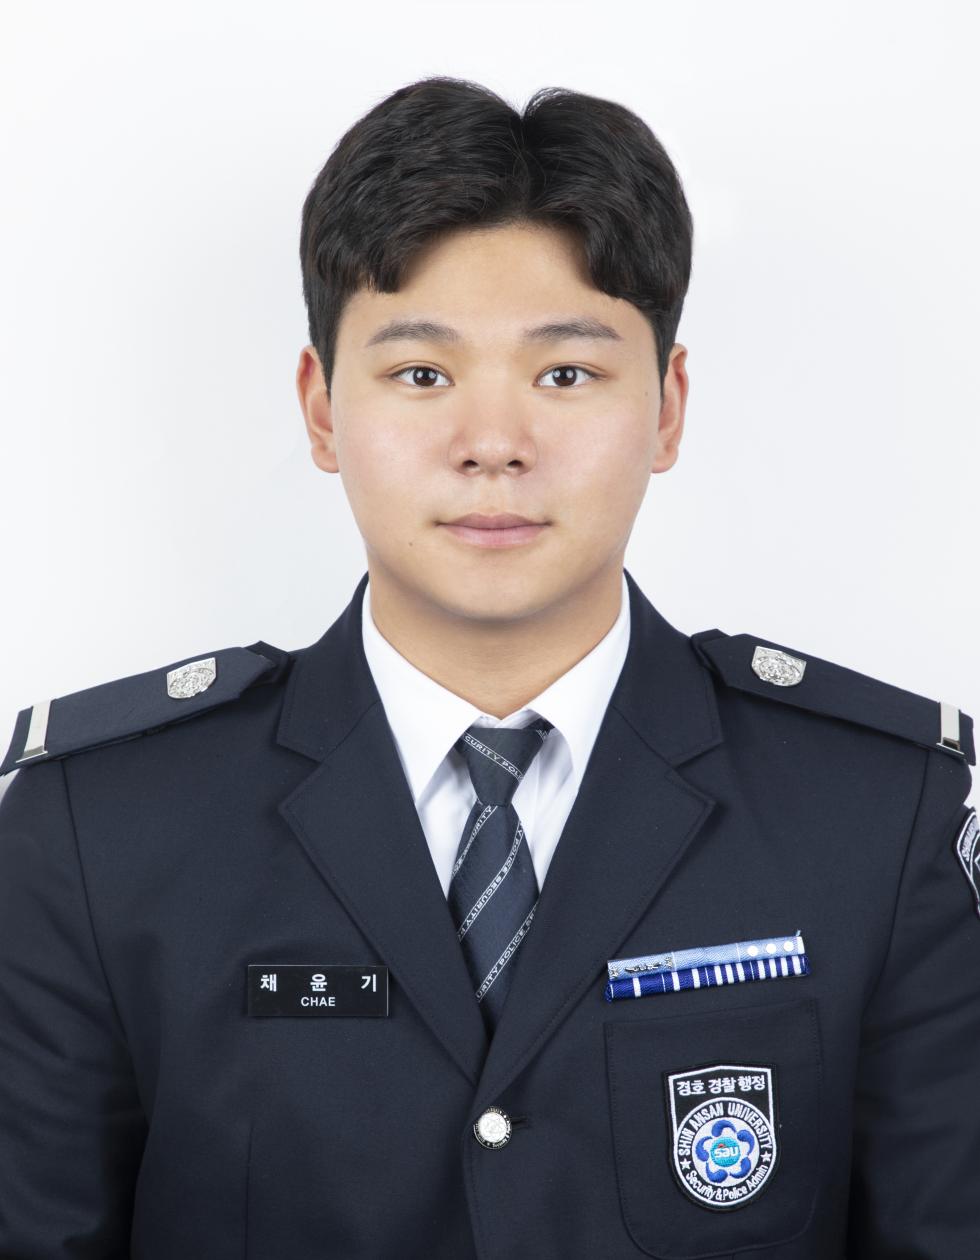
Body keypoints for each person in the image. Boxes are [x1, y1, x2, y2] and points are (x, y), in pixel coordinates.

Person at [0, 74, 976, 1260]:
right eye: (422, 374)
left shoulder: (876, 817)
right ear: (322, 410)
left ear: (666, 409)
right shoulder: (98, 832)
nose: (494, 445)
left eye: (565, 375)